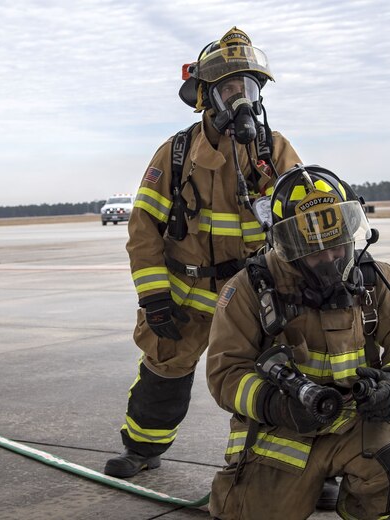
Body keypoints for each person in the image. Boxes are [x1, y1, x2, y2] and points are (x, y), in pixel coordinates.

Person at [104, 27, 302, 478]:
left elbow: (301, 219)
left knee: (272, 377)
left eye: (250, 87)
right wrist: (154, 298)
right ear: (207, 96)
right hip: (184, 295)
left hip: (253, 296)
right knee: (165, 368)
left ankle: (285, 471)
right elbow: (143, 230)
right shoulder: (175, 154)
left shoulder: (273, 150)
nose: (242, 97)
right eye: (231, 87)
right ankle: (141, 449)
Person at [205, 164, 390, 519]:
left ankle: (355, 507)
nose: (330, 259)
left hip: (355, 420)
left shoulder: (377, 280)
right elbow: (225, 374)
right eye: (315, 251)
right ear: (288, 248)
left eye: (338, 246)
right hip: (281, 430)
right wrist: (276, 405)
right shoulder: (249, 290)